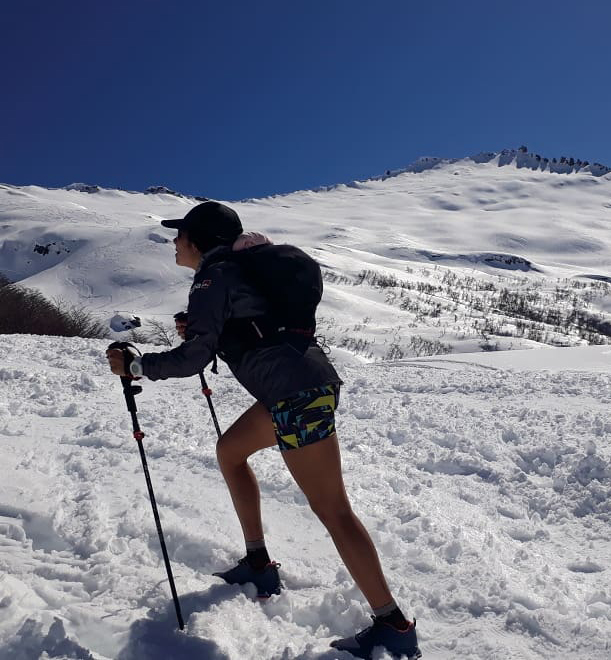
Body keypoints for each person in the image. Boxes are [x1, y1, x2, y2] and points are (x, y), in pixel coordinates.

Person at [106, 202, 420, 659]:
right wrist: (203, 331)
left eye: (181, 235)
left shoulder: (215, 275)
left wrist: (137, 366)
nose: (174, 242)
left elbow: (195, 357)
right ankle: (258, 564)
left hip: (296, 395)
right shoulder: (236, 271)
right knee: (229, 452)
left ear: (200, 239)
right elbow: (249, 330)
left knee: (333, 510)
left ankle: (393, 623)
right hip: (296, 389)